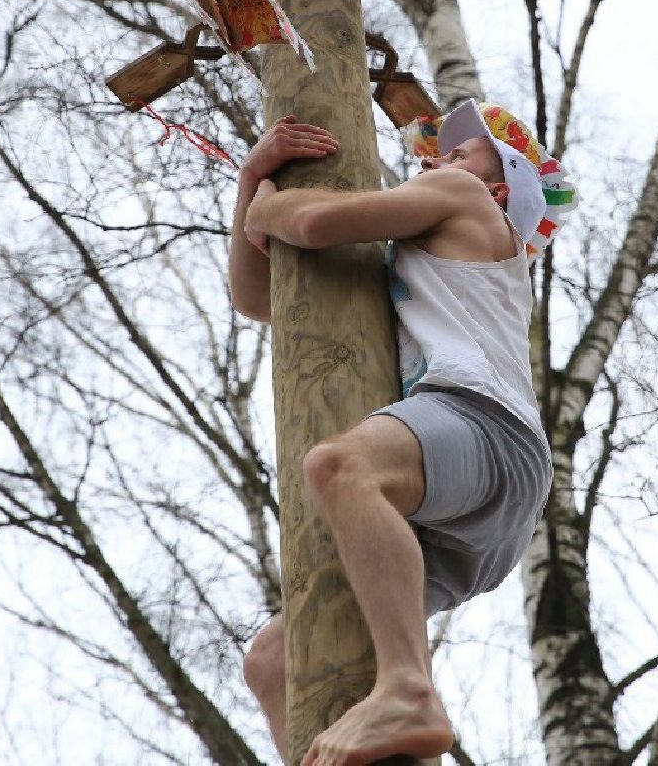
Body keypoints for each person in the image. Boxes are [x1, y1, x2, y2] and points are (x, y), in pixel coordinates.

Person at [228, 99, 577, 766]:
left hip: (483, 425)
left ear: (500, 185)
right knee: (274, 659)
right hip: (463, 508)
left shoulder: (463, 199)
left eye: (463, 151)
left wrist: (270, 204)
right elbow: (258, 299)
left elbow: (311, 220)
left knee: (341, 467)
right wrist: (253, 180)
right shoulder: (416, 274)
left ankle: (408, 688)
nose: (441, 159)